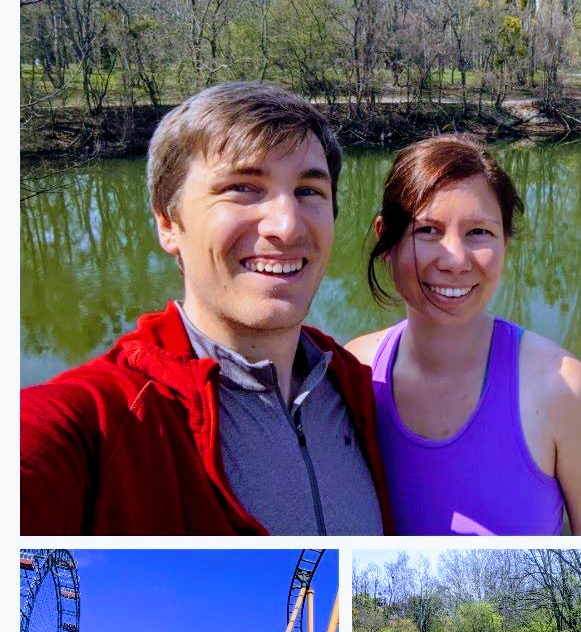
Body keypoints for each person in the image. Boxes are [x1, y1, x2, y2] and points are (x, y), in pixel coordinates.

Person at [21, 81, 393, 535]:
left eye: (308, 191)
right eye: (242, 187)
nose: (286, 225)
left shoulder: (356, 389)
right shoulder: (104, 423)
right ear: (167, 222)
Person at [345, 133, 581, 535]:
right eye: (427, 230)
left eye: (478, 232)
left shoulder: (562, 389)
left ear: (505, 243)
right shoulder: (353, 372)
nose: (455, 259)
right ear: (385, 239)